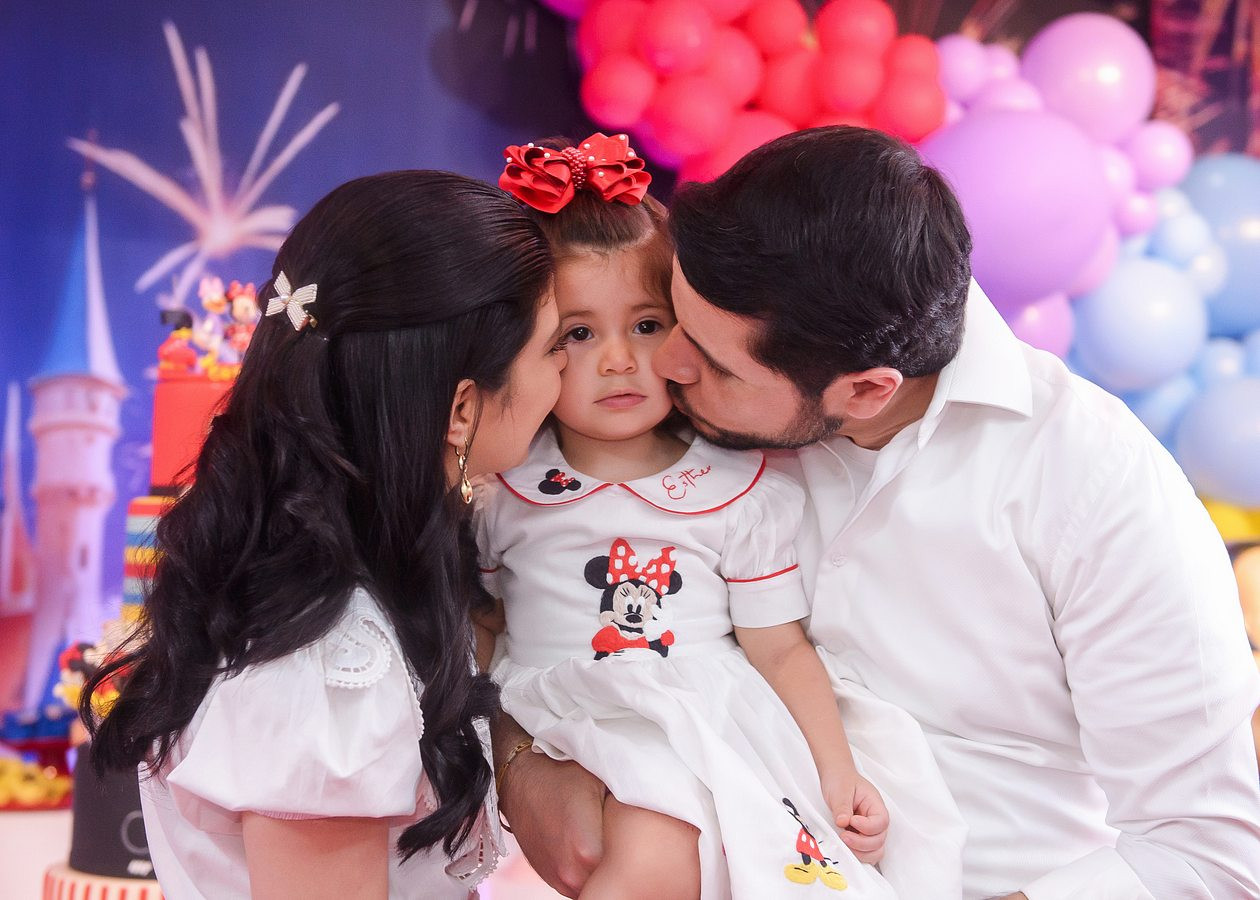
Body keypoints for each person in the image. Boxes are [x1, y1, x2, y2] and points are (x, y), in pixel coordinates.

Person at [500, 126, 1260, 900]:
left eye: (713, 362)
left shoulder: (1094, 484)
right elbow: (515, 595)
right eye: (672, 317)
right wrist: (519, 764)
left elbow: (1207, 853)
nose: (664, 364)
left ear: (865, 391)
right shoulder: (667, 411)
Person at [481, 134, 964, 900]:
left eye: (646, 325)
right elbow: (480, 624)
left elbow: (779, 647)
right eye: (579, 333)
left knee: (659, 846)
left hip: (685, 724)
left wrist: (837, 769)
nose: (619, 360)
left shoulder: (739, 488)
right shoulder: (504, 487)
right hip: (559, 715)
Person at [81, 171, 567, 899]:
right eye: (557, 346)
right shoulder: (330, 666)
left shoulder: (327, 590)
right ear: (461, 410)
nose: (570, 374)